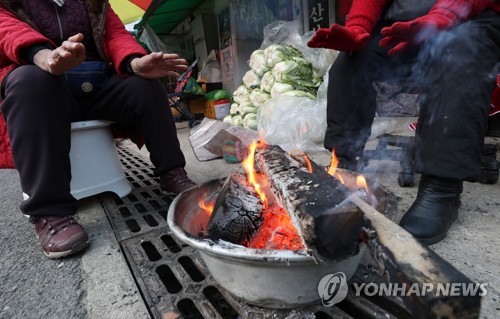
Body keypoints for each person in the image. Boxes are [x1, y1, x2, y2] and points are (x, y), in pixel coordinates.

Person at [0, 0, 197, 258]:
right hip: (42, 81)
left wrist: (135, 62)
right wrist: (45, 57)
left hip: (93, 84)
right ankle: (49, 211)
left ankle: (172, 173)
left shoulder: (94, 2)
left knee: (144, 86)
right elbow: (8, 30)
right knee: (31, 82)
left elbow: (114, 34)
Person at [308, 0, 500, 244]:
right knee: (354, 58)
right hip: (407, 23)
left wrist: (441, 16)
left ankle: (441, 189)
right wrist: (359, 26)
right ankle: (343, 167)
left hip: (469, 19)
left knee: (459, 55)